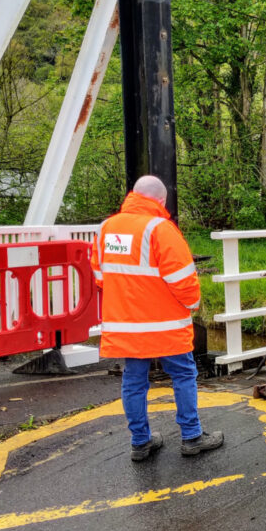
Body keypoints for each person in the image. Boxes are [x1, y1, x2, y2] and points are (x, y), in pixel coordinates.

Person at [91, 175, 224, 462]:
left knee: (134, 381)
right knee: (183, 375)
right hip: (165, 326)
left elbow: (100, 277)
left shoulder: (106, 229)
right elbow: (182, 279)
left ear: (133, 195)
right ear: (161, 200)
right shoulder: (161, 229)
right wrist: (194, 303)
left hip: (125, 325)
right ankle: (191, 437)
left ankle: (140, 442)